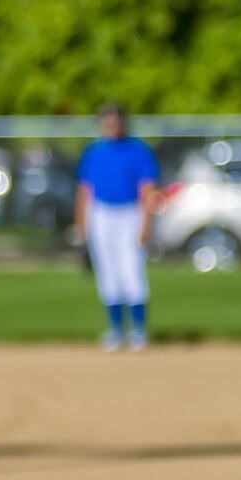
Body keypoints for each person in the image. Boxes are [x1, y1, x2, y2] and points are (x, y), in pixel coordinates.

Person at [73, 104, 161, 351]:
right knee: (108, 273)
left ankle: (139, 330)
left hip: (130, 212)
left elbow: (148, 190)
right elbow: (85, 190)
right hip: (101, 214)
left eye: (115, 121)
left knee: (132, 271)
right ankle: (116, 330)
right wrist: (80, 226)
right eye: (107, 122)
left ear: (124, 122)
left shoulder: (138, 150)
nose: (111, 126)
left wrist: (146, 224)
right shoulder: (95, 151)